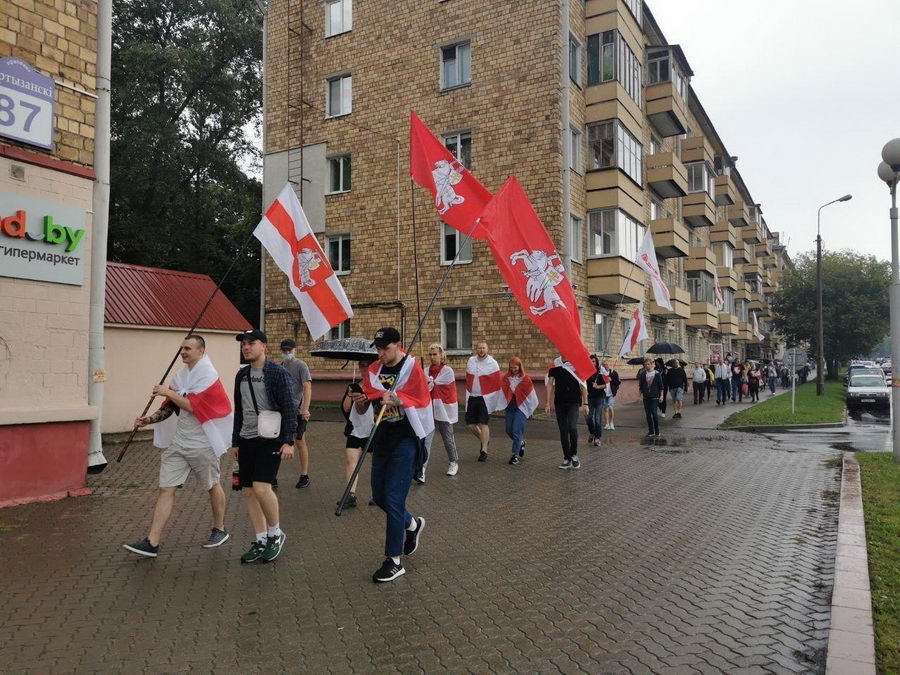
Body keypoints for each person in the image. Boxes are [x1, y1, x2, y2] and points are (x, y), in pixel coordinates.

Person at [123, 335, 232, 558]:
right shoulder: (180, 376)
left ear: (201, 351)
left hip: (203, 444)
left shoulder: (208, 376)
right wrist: (149, 420)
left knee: (212, 485)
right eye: (181, 348)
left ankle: (219, 529)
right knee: (166, 488)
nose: (182, 352)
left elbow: (194, 406)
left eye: (188, 348)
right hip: (179, 443)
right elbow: (170, 407)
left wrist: (169, 392)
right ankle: (152, 542)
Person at [354, 327, 432, 582]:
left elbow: (421, 400)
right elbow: (369, 395)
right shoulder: (375, 371)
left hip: (406, 437)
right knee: (379, 495)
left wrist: (397, 399)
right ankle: (412, 525)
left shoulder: (411, 368)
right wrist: (362, 401)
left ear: (398, 345)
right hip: (383, 436)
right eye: (378, 348)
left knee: (393, 496)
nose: (381, 353)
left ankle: (394, 560)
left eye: (385, 348)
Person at [231, 329, 297, 564]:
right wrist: (235, 441)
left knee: (261, 487)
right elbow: (238, 410)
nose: (246, 347)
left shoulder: (277, 373)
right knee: (248, 491)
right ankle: (260, 539)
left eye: (252, 343)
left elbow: (290, 407)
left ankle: (275, 534)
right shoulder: (242, 375)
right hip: (246, 438)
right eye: (244, 344)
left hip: (271, 437)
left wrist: (289, 440)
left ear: (264, 346)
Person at [337, 357, 376, 509]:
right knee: (350, 460)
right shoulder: (356, 385)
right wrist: (349, 393)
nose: (363, 369)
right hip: (356, 428)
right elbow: (346, 409)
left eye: (366, 366)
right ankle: (350, 495)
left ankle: (377, 494)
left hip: (372, 429)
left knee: (376, 462)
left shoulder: (377, 385)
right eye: (361, 366)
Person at [279, 339, 313, 489]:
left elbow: (307, 387)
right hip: (284, 411)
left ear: (294, 350)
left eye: (289, 351)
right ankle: (272, 476)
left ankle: (304, 475)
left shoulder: (301, 366)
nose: (287, 353)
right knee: (279, 442)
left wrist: (305, 409)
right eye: (284, 351)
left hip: (298, 411)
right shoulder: (281, 366)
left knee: (300, 441)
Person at [423, 344, 459, 479]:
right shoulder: (425, 370)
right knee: (426, 439)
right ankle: (422, 468)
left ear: (441, 355)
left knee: (448, 438)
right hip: (429, 409)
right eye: (430, 355)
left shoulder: (447, 371)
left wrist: (428, 380)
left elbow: (438, 383)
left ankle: (453, 462)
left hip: (443, 409)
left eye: (435, 354)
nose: (432, 357)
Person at [546, 356, 588, 470]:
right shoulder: (555, 363)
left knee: (572, 427)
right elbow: (550, 384)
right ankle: (567, 458)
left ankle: (574, 455)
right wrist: (547, 403)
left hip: (573, 402)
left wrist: (586, 403)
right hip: (559, 402)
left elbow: (582, 384)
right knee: (563, 430)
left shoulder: (576, 363)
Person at [465, 341, 503, 462]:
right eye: (479, 348)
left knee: (483, 423)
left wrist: (496, 401)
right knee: (471, 425)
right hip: (472, 396)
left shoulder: (492, 363)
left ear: (487, 349)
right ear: (477, 350)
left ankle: (484, 450)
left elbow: (497, 383)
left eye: (483, 348)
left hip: (485, 398)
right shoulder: (471, 360)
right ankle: (484, 439)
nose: (481, 350)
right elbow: (468, 377)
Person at [501, 357, 538, 464]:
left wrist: (530, 410)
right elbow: (503, 391)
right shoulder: (507, 378)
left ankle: (515, 455)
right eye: (511, 368)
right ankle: (521, 442)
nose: (513, 369)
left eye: (515, 367)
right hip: (511, 405)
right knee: (509, 430)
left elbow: (530, 395)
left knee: (517, 430)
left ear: (520, 366)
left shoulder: (525, 379)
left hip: (522, 406)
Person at [639, 357, 664, 437]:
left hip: (655, 397)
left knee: (654, 412)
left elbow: (661, 386)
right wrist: (639, 396)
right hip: (646, 397)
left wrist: (662, 396)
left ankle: (657, 431)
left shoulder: (657, 374)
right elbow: (641, 386)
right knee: (648, 414)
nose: (647, 366)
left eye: (648, 364)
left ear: (652, 364)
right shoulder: (643, 374)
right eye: (645, 364)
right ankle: (651, 431)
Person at [585, 354, 606, 445]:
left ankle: (597, 438)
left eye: (593, 361)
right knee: (588, 418)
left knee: (597, 419)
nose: (592, 363)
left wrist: (598, 386)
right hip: (589, 398)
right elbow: (583, 386)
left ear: (596, 362)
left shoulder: (600, 372)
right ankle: (592, 432)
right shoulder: (586, 372)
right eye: (590, 361)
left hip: (599, 398)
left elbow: (606, 385)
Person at [601, 358, 620, 430]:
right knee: (605, 408)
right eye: (604, 365)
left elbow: (618, 382)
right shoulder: (601, 374)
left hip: (611, 393)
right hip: (604, 393)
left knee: (610, 407)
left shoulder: (613, 372)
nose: (606, 366)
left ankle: (611, 423)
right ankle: (607, 424)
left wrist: (611, 380)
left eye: (607, 364)